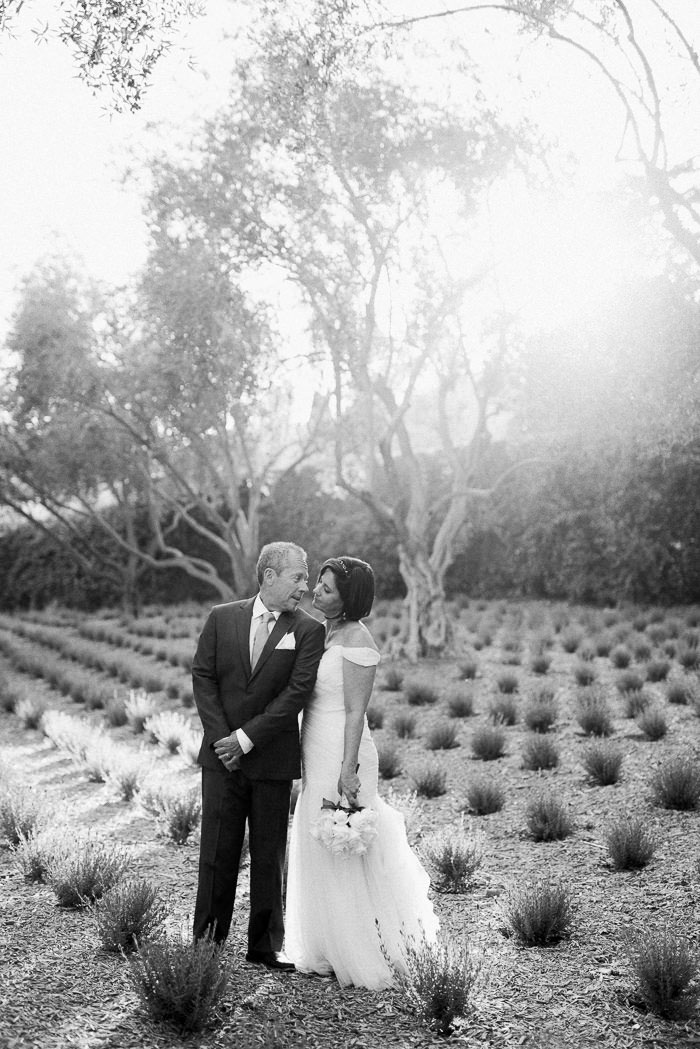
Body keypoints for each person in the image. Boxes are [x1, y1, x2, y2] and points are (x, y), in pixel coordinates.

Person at [285, 556, 438, 988]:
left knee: (345, 843)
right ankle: (325, 943)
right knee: (318, 838)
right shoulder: (322, 631)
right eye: (318, 583)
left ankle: (359, 948)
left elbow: (356, 712)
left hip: (342, 750)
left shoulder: (357, 640)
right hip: (315, 748)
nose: (316, 591)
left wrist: (347, 769)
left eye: (327, 589)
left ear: (347, 599)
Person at [191, 541, 325, 971]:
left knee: (270, 855)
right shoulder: (221, 617)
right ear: (269, 576)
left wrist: (246, 738)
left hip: (269, 760)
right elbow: (203, 677)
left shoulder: (308, 630)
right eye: (298, 576)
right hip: (221, 759)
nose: (305, 587)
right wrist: (221, 740)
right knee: (216, 853)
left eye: (306, 578)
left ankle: (266, 946)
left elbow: (296, 694)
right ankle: (207, 945)